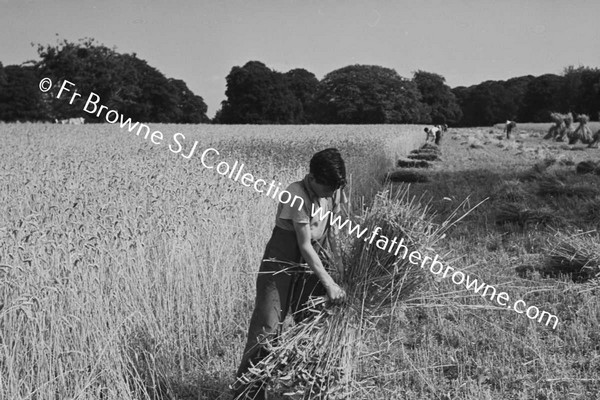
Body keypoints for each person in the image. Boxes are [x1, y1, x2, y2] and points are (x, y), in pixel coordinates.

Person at [233, 148, 348, 400]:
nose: (332, 193)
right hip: (281, 265)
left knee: (313, 324)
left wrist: (338, 269)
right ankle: (247, 393)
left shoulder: (333, 189)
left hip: (310, 266)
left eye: (335, 187)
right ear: (314, 178)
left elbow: (334, 233)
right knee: (268, 329)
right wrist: (329, 284)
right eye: (328, 187)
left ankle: (306, 389)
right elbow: (304, 245)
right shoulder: (295, 194)